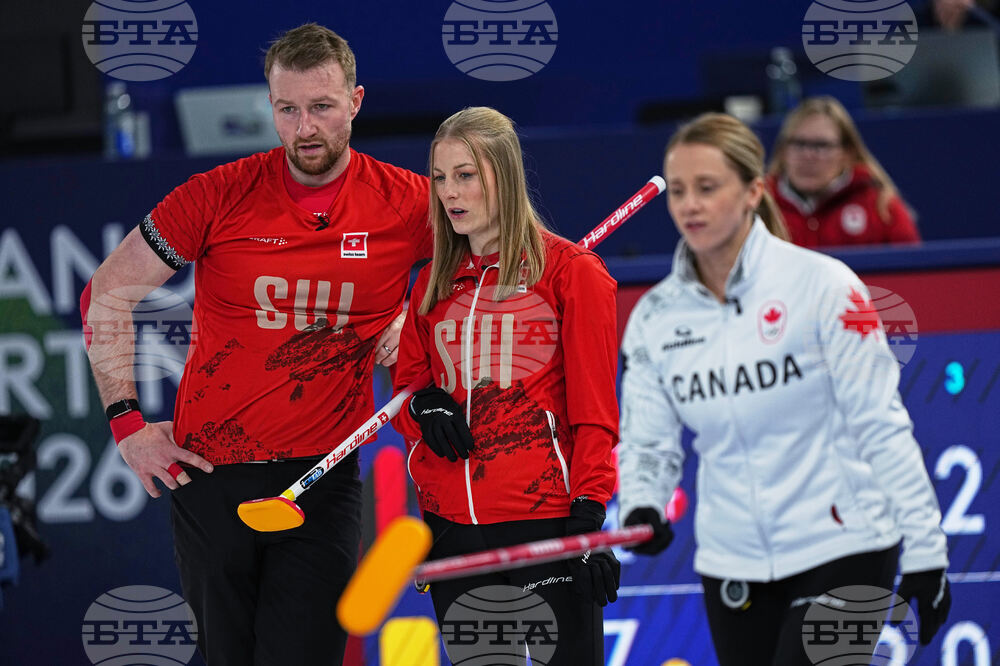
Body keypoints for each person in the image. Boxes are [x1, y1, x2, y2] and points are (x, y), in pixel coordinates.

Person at [80, 23, 432, 665]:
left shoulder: (407, 203)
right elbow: (108, 291)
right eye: (287, 109)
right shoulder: (219, 194)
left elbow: (499, 267)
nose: (304, 129)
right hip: (209, 476)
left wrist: (419, 312)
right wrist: (128, 425)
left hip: (323, 478)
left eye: (322, 107)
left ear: (355, 102)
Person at [617, 112, 951, 665]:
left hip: (845, 545)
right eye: (678, 191)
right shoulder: (654, 317)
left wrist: (926, 549)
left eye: (707, 188)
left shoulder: (824, 285)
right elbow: (648, 443)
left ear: (752, 192)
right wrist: (642, 506)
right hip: (732, 560)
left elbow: (880, 424)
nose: (689, 205)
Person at [392, 106, 620, 664]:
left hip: (545, 522)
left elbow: (596, 412)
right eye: (441, 178)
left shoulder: (572, 274)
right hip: (454, 529)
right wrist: (423, 405)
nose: (450, 192)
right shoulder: (433, 284)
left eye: (466, 175)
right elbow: (406, 391)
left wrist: (589, 517)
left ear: (505, 175)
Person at [766, 96, 921, 248]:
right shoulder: (757, 204)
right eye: (799, 144)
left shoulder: (882, 207)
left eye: (821, 145)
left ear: (847, 154)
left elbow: (912, 269)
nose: (808, 155)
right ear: (783, 151)